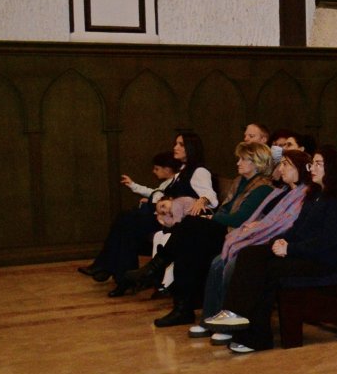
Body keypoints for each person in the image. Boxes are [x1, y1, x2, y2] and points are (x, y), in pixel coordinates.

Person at [206, 147, 337, 353]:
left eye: (318, 164)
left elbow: (326, 243)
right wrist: (279, 242)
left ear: (332, 168)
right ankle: (238, 318)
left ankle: (252, 334)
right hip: (303, 253)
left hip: (321, 261)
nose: (312, 168)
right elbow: (297, 230)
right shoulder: (315, 195)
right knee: (250, 253)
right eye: (312, 163)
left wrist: (290, 249)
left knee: (267, 269)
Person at [142, 141, 277, 326]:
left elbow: (238, 219)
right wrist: (213, 218)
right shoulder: (240, 181)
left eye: (243, 159)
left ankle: (157, 268)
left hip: (236, 234)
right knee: (188, 246)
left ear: (257, 163)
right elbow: (224, 209)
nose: (238, 162)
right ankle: (181, 307)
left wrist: (211, 219)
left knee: (190, 227)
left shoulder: (262, 188)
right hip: (222, 228)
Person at [189, 149, 316, 340]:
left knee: (234, 263)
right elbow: (266, 215)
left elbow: (286, 225)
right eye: (281, 163)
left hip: (272, 241)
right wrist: (257, 225)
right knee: (217, 262)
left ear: (300, 168)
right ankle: (209, 319)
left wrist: (260, 226)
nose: (280, 168)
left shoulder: (302, 195)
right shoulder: (281, 192)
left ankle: (229, 325)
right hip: (258, 235)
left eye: (285, 164)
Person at [83, 131, 217, 288]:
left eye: (180, 144)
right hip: (164, 213)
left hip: (174, 219)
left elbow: (211, 196)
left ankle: (112, 270)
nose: (175, 147)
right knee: (126, 221)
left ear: (191, 148)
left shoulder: (199, 171)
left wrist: (202, 199)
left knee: (127, 220)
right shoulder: (183, 170)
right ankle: (119, 275)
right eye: (176, 143)